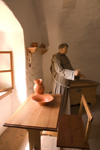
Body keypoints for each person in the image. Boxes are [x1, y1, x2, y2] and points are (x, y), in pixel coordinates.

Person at [50, 43, 85, 114]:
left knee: (65, 99)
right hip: (59, 83)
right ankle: (58, 114)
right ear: (61, 49)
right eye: (66, 48)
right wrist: (73, 73)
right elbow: (59, 71)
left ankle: (65, 113)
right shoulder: (56, 58)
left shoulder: (65, 57)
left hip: (65, 81)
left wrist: (77, 74)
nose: (67, 49)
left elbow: (69, 68)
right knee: (59, 100)